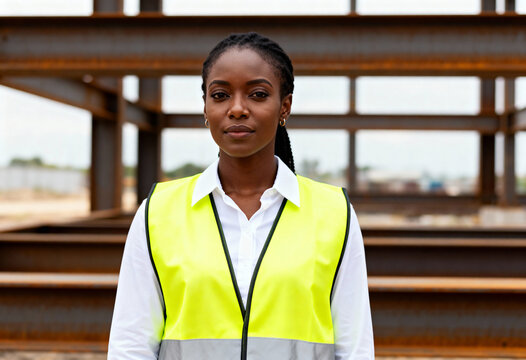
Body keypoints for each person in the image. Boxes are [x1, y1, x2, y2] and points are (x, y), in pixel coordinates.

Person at [108, 32, 374, 360]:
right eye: (220, 95)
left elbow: (355, 349)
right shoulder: (157, 213)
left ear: (284, 106)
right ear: (205, 107)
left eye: (258, 94)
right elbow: (130, 346)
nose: (236, 109)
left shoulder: (335, 215)